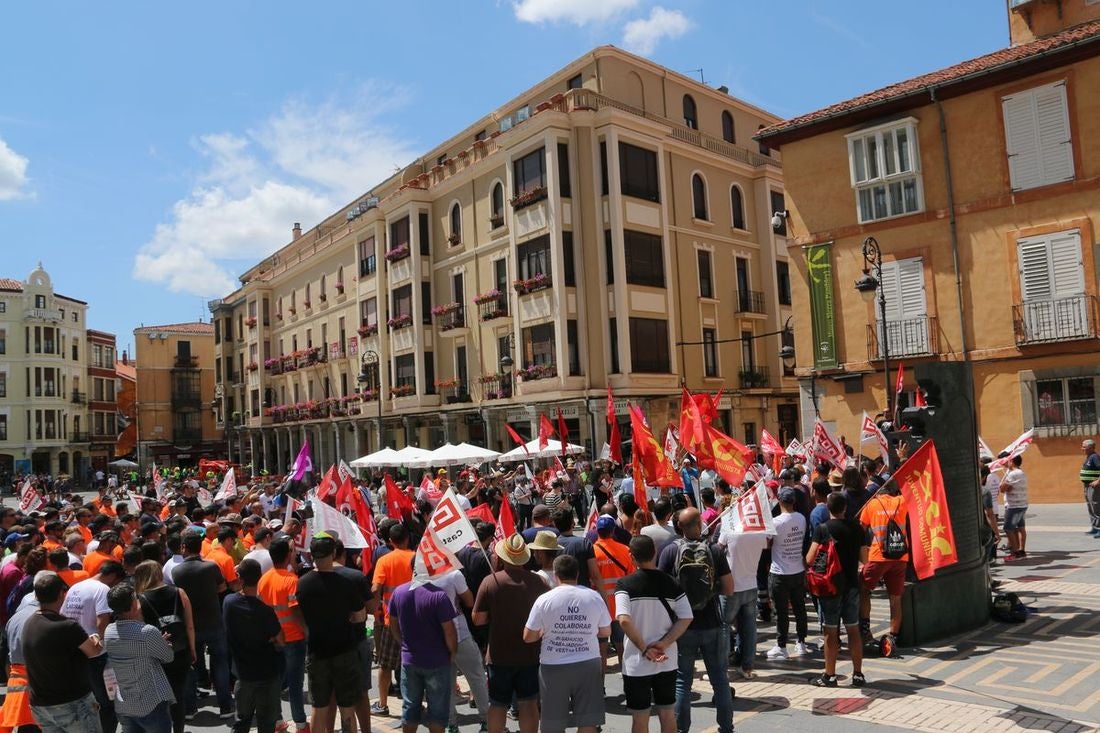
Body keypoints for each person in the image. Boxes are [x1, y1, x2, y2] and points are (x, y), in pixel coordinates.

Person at [657, 508, 734, 733]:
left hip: (682, 626)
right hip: (711, 622)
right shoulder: (714, 550)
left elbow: (662, 590)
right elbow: (729, 588)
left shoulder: (670, 551)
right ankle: (726, 728)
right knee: (719, 679)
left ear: (679, 526)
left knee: (682, 681)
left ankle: (682, 729)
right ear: (700, 524)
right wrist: (710, 590)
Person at [523, 554, 611, 733]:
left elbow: (528, 636)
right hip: (588, 663)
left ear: (556, 574)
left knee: (553, 724)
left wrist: (544, 632)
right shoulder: (593, 597)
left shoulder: (544, 600)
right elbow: (605, 631)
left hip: (553, 666)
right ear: (577, 574)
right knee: (588, 722)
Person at [615, 536, 693, 733]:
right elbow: (686, 617)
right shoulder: (672, 583)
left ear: (631, 557)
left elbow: (623, 619)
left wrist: (644, 648)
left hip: (636, 662)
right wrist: (663, 643)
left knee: (640, 718)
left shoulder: (625, 584)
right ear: (655, 553)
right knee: (667, 714)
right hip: (666, 659)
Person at [472, 534, 547, 733]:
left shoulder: (491, 582)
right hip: (530, 654)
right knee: (529, 703)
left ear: (503, 557)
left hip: (499, 655)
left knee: (497, 704)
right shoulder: (539, 582)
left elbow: (478, 619)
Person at [296, 533, 367, 733]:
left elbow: (295, 611)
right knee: (347, 708)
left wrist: (307, 628)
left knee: (319, 706)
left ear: (311, 555)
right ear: (334, 552)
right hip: (345, 650)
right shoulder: (345, 583)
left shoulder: (302, 583)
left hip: (317, 651)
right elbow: (360, 615)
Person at [24, 571, 104, 733]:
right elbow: (94, 651)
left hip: (41, 705)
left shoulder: (29, 623)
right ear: (61, 594)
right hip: (72, 703)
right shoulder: (67, 626)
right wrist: (96, 638)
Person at [806, 492, 869, 687]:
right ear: (845, 508)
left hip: (830, 587)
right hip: (851, 585)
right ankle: (858, 674)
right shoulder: (858, 528)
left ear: (828, 509)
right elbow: (865, 559)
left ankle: (830, 675)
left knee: (830, 631)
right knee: (853, 629)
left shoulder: (822, 529)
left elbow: (809, 559)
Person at [60, 560, 127, 733]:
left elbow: (64, 616)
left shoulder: (76, 587)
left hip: (75, 651)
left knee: (85, 700)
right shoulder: (103, 589)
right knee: (106, 703)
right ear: (112, 576)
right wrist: (105, 644)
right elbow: (101, 621)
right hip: (96, 654)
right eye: (117, 582)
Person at [171, 530, 232, 718]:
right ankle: (226, 707)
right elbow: (222, 587)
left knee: (190, 665)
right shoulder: (211, 567)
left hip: (189, 625)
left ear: (183, 547)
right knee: (220, 663)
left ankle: (190, 708)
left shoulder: (176, 571)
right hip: (214, 622)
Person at [389, 573, 459, 733]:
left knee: (410, 708)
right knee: (437, 711)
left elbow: (393, 625)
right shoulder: (439, 596)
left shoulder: (398, 592)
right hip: (437, 661)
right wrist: (452, 652)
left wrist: (403, 644)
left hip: (410, 659)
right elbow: (449, 631)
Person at [103, 583, 176, 733]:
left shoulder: (109, 631)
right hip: (151, 703)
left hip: (125, 704)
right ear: (132, 606)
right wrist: (163, 643)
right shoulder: (147, 632)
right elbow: (168, 657)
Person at [133, 561, 195, 733]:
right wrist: (192, 649)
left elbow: (140, 632)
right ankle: (179, 730)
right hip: (180, 651)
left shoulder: (140, 600)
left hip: (156, 655)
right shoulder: (179, 592)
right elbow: (189, 625)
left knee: (159, 698)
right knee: (178, 696)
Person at [223, 559, 284, 733]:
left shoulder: (229, 603)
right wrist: (270, 639)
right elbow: (281, 639)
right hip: (267, 673)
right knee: (266, 723)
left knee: (242, 722)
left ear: (239, 578)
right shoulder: (265, 611)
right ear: (260, 578)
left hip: (243, 674)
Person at [257, 539, 308, 732]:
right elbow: (295, 611)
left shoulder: (264, 579)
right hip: (293, 639)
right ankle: (301, 725)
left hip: (272, 640)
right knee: (295, 685)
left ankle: (278, 722)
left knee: (275, 684)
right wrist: (306, 630)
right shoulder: (292, 580)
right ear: (287, 555)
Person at [858, 478, 908, 654]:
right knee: (895, 599)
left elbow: (860, 530)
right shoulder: (902, 501)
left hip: (878, 557)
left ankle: (865, 629)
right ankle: (892, 637)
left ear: (876, 492)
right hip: (900, 557)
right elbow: (908, 484)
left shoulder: (871, 505)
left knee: (864, 589)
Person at [716, 512, 768, 679]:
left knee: (723, 626)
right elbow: (766, 545)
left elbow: (718, 549)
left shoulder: (729, 529)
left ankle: (721, 668)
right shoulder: (758, 532)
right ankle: (747, 667)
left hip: (730, 586)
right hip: (751, 585)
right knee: (749, 628)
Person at [370, 523, 415, 716]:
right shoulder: (417, 558)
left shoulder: (384, 560)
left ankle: (382, 704)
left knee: (386, 665)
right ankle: (413, 702)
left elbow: (375, 589)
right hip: (416, 619)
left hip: (391, 621)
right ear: (407, 538)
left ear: (390, 541)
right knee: (414, 663)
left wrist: (376, 612)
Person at [765, 488, 811, 660]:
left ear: (780, 501)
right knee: (800, 608)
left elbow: (767, 544)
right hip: (798, 570)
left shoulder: (776, 522)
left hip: (780, 573)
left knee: (781, 611)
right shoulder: (801, 518)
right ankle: (801, 643)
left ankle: (781, 645)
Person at [593, 515, 635, 669]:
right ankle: (628, 680)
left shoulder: (592, 552)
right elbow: (631, 578)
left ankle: (600, 685)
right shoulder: (625, 550)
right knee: (622, 646)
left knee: (601, 649)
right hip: (620, 606)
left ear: (597, 531)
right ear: (612, 531)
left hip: (599, 607)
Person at [1001, 454, 1029, 558]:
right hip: (1022, 504)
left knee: (1008, 529)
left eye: (1008, 461)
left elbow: (1003, 489)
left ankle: (1015, 552)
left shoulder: (1012, 474)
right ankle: (1021, 550)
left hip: (1013, 506)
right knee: (1020, 527)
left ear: (1012, 461)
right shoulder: (1022, 473)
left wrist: (1004, 484)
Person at [1081, 439, 1100, 536]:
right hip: (1087, 486)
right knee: (1090, 507)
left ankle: (1099, 529)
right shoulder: (1089, 457)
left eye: (1084, 447)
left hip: (1094, 487)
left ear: (1091, 448)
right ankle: (1095, 527)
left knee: (1096, 507)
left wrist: (1098, 481)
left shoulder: (1095, 457)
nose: (1082, 449)